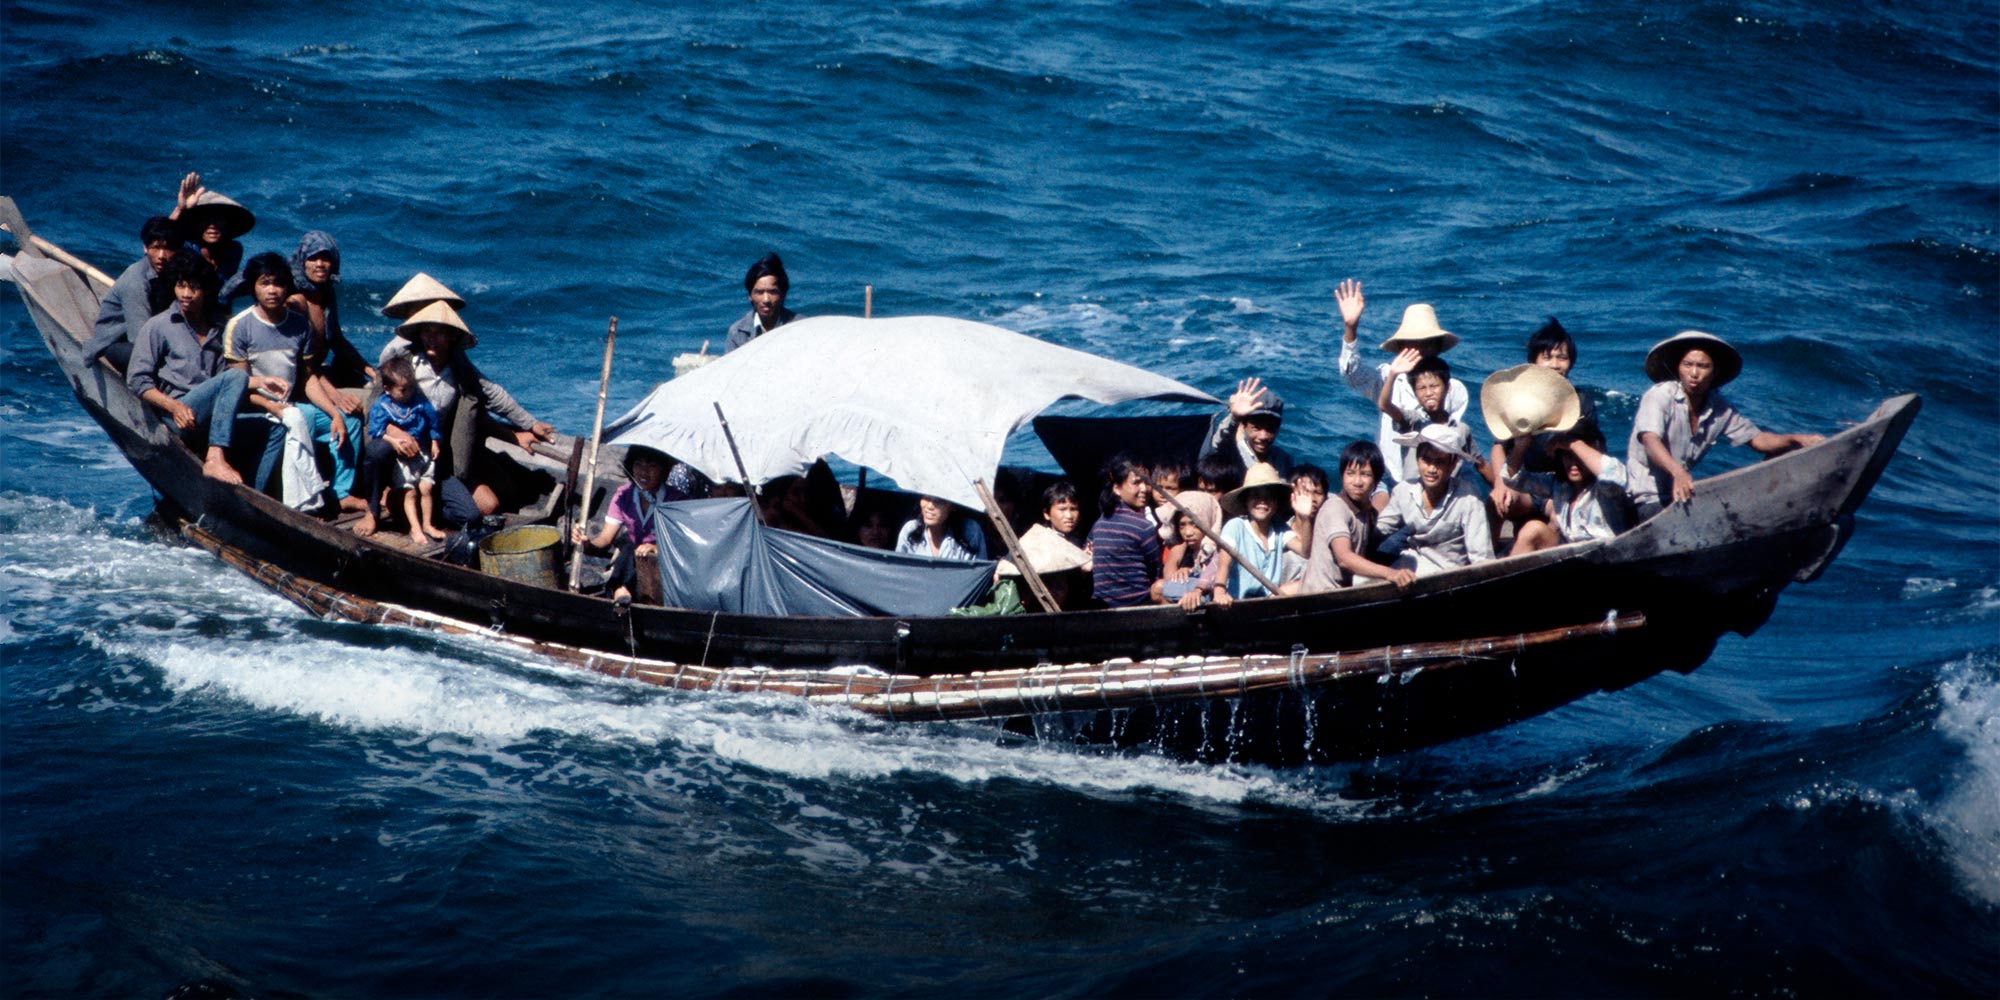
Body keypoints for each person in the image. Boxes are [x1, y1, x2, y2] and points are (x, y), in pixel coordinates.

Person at [376, 289, 556, 525]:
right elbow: (376, 406)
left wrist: (530, 425)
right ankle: (394, 498)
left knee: (488, 506)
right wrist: (394, 433)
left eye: (439, 333)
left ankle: (423, 504)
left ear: (451, 337)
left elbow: (491, 395)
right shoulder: (404, 361)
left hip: (437, 454)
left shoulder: (459, 369)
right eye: (427, 332)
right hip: (403, 451)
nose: (431, 338)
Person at [225, 252, 366, 521]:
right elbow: (238, 385)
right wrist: (271, 405)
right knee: (298, 419)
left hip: (291, 405)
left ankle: (342, 493)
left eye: (278, 283)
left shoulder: (299, 325)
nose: (272, 290)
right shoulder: (239, 326)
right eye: (264, 283)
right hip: (255, 408)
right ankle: (301, 501)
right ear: (253, 286)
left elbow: (307, 377)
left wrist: (335, 413)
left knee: (350, 423)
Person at [125, 252, 285, 488]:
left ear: (206, 290)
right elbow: (137, 381)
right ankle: (215, 457)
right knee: (237, 375)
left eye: (194, 288)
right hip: (179, 416)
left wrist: (263, 389)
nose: (186, 294)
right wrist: (174, 406)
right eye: (181, 286)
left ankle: (255, 496)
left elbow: (227, 385)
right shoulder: (159, 326)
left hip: (213, 419)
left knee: (275, 429)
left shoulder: (218, 328)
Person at [1626, 331, 1824, 520]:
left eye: (1703, 366)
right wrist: (1677, 472)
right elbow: (1650, 440)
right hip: (1647, 497)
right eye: (1688, 365)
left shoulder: (1719, 406)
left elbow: (1757, 439)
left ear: (1715, 371)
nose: (1694, 373)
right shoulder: (1660, 395)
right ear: (1678, 367)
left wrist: (1796, 439)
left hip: (1680, 495)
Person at [1335, 280, 1470, 490]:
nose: (1419, 350)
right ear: (1400, 347)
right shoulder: (1387, 376)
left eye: (1426, 343)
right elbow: (1352, 374)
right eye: (1412, 343)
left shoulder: (1453, 389)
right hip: (1386, 476)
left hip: (1431, 477)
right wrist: (1350, 328)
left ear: (1436, 348)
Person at [1490, 319, 1596, 521]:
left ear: (1571, 362)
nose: (1555, 365)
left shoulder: (1582, 401)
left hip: (1563, 487)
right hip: (1525, 485)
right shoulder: (1518, 399)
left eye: (1562, 358)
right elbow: (1499, 446)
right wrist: (1499, 483)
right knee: (1495, 503)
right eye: (1547, 357)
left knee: (1558, 519)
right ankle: (1487, 552)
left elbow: (1594, 449)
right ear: (1534, 362)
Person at [1375, 423, 1495, 576]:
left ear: (1452, 464)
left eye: (1439, 462)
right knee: (1359, 579)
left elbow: (1481, 557)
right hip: (1410, 565)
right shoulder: (1403, 491)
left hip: (1449, 573)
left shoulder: (1468, 498)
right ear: (1418, 460)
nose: (1431, 469)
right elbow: (1379, 529)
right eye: (1426, 460)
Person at [1302, 443, 1415, 593]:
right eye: (1350, 473)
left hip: (1345, 590)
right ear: (1342, 476)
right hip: (1320, 594)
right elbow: (1344, 558)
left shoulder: (1367, 512)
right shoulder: (1335, 508)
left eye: (1365, 474)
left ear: (1377, 480)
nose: (1357, 482)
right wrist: (1391, 574)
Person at [1504, 423, 1632, 555]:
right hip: (1572, 559)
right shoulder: (1560, 486)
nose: (1573, 464)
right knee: (1533, 529)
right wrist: (1521, 446)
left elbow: (1616, 476)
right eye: (1568, 456)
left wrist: (1573, 444)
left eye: (1578, 457)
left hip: (1607, 557)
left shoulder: (1605, 490)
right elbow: (1514, 479)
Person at [362, 356, 446, 545]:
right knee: (410, 492)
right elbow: (377, 432)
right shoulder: (381, 406)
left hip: (422, 450)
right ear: (387, 388)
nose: (408, 393)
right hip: (403, 457)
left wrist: (434, 441)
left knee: (426, 488)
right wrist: (394, 440)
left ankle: (427, 524)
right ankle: (414, 528)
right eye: (402, 390)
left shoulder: (418, 401)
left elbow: (432, 420)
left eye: (411, 388)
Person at [571, 446, 672, 603]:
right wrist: (587, 544)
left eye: (651, 466)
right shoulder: (624, 495)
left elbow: (683, 547)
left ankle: (620, 589)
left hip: (665, 562)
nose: (643, 472)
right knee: (629, 547)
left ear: (663, 470)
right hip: (633, 560)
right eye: (638, 464)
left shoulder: (677, 500)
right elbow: (605, 539)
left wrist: (656, 548)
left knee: (634, 550)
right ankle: (621, 590)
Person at [83, 215, 183, 372]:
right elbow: (140, 339)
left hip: (151, 337)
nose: (162, 256)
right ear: (145, 248)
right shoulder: (136, 282)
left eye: (168, 249)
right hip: (116, 343)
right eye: (156, 248)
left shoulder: (169, 273)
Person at [286, 231, 374, 391]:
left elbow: (337, 341)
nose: (320, 264)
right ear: (302, 262)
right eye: (313, 258)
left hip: (318, 373)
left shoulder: (327, 293)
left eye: (325, 258)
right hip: (297, 380)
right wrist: (335, 396)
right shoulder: (294, 301)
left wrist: (371, 372)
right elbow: (299, 362)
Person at [952, 524, 1091, 616]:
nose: (1053, 592)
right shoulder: (1014, 608)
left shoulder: (1076, 611)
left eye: (1059, 587)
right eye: (1047, 585)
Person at [1207, 462, 1295, 604]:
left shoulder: (1279, 527)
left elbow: (1304, 550)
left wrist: (1305, 518)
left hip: (1267, 602)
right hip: (1237, 603)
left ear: (1276, 502)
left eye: (1268, 497)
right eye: (1256, 495)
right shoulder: (1235, 526)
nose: (1262, 502)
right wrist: (1219, 591)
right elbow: (1224, 563)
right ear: (1246, 500)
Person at [1087, 455, 1161, 608]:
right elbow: (1156, 569)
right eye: (1136, 482)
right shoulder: (1143, 526)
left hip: (1103, 606)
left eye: (1147, 482)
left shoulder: (1099, 524)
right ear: (1116, 488)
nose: (1144, 488)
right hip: (1139, 605)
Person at [169, 174, 254, 293]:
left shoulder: (234, 250)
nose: (212, 226)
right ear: (197, 225)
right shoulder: (186, 248)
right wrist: (180, 208)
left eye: (218, 220)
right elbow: (165, 237)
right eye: (206, 220)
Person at [1198, 376, 1293, 479]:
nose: (1263, 436)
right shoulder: (1232, 453)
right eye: (1256, 428)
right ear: (1243, 425)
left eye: (1270, 429)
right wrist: (1235, 418)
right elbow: (1219, 445)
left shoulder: (1283, 459)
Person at [723, 252, 799, 352]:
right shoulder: (738, 333)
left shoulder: (800, 326)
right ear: (750, 296)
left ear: (783, 294)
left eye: (772, 292)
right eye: (759, 292)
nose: (766, 299)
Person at [1158, 490, 1222, 609]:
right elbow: (1169, 575)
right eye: (1182, 525)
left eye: (1195, 524)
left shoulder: (1218, 546)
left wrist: (1192, 573)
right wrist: (1182, 574)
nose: (1188, 533)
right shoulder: (1185, 546)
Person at [895, 495, 987, 560]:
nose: (930, 506)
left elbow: (980, 571)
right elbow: (899, 571)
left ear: (952, 505)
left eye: (938, 500)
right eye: (926, 497)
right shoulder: (911, 529)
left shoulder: (969, 530)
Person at [1280, 464, 1328, 588]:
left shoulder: (1329, 535)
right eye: (1305, 492)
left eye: (1317, 493)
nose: (1312, 498)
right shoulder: (1278, 533)